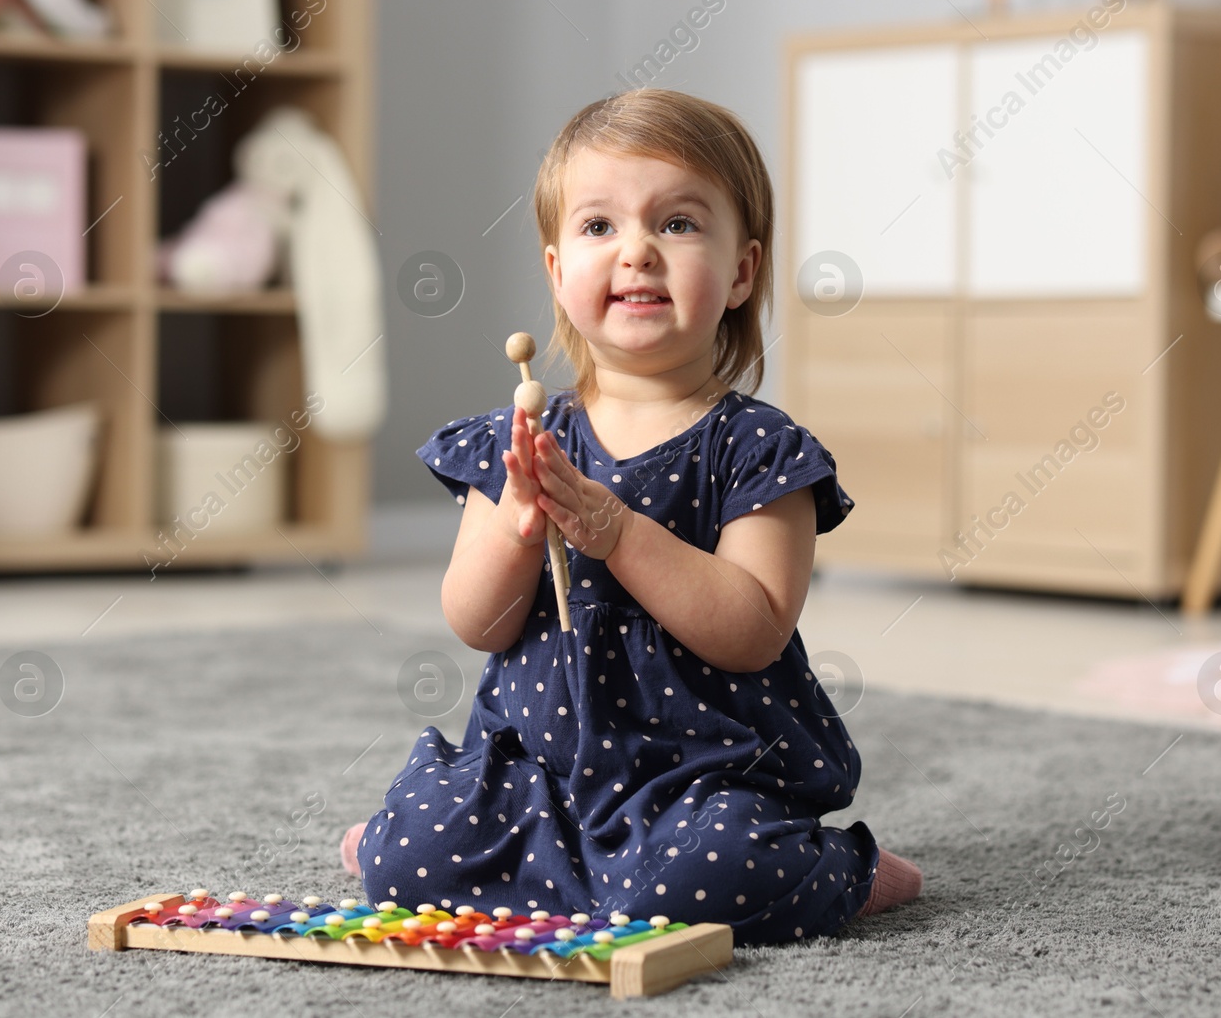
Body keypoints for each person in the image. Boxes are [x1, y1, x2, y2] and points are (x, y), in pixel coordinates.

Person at [340, 88, 920, 945]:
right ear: (555, 269)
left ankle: (846, 870)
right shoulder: (518, 438)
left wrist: (616, 532)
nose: (638, 252)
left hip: (701, 776)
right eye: (600, 227)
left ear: (743, 272)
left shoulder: (760, 450)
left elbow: (753, 628)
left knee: (709, 876)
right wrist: (515, 528)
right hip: (539, 771)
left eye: (679, 224)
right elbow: (476, 621)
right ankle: (493, 854)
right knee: (412, 857)